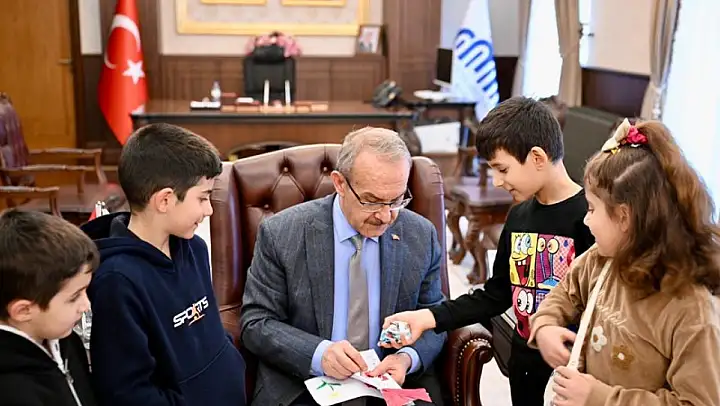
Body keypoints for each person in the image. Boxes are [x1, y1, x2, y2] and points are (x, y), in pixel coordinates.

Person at [381, 96, 595, 405]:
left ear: (537, 157)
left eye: (502, 169)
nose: (497, 181)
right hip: (524, 367)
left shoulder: (590, 219)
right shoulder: (519, 216)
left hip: (574, 376)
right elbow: (497, 295)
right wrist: (426, 317)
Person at [240, 127, 448, 406]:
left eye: (396, 200)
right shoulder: (282, 233)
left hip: (392, 383)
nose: (385, 216)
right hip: (303, 383)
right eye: (371, 201)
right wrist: (319, 353)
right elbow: (256, 323)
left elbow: (435, 316)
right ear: (339, 183)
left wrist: (405, 358)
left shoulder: (420, 234)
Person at [530, 119, 720, 406]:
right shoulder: (600, 259)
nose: (586, 220)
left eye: (592, 209)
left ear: (624, 217)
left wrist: (600, 397)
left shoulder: (691, 310)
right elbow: (564, 293)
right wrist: (545, 324)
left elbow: (698, 402)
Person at [81, 123, 247, 406]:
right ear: (165, 200)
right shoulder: (116, 281)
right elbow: (127, 392)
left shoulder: (195, 248)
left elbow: (211, 336)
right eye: (203, 197)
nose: (209, 209)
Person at [0, 209, 98, 406]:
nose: (86, 306)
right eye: (74, 297)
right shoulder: (10, 390)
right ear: (23, 310)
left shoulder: (65, 338)